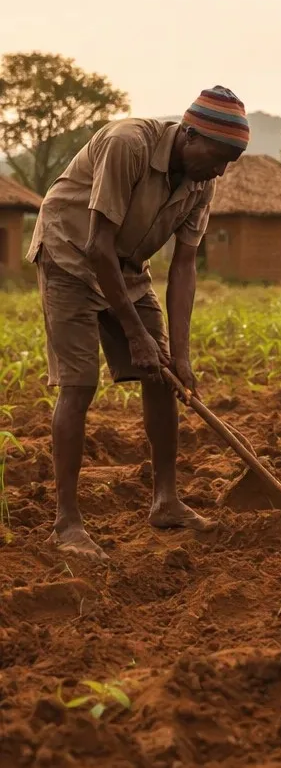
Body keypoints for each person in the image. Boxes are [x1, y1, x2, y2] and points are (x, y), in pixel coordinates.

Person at [26, 86, 249, 561]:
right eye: (219, 156)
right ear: (189, 135)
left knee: (164, 377)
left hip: (126, 269)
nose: (222, 170)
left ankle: (166, 501)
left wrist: (180, 356)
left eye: (233, 161)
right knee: (79, 384)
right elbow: (96, 246)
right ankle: (66, 523)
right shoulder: (128, 144)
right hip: (70, 256)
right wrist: (134, 333)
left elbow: (185, 267)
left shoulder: (201, 182)